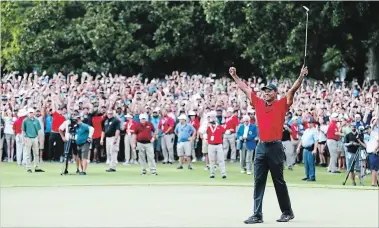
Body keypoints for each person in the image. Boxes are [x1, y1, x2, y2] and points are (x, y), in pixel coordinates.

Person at [229, 65, 308, 223]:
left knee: (278, 181)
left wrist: (301, 77)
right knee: (258, 181)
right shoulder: (258, 103)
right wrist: (235, 76)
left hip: (275, 147)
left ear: (275, 93)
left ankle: (287, 212)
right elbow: (245, 89)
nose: (265, 93)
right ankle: (257, 215)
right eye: (264, 91)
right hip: (261, 146)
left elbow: (292, 91)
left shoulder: (281, 104)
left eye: (269, 91)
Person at [22, 108, 45, 173]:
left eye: (32, 112)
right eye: (30, 113)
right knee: (28, 154)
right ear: (28, 113)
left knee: (36, 153)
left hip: (35, 138)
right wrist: (23, 140)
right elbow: (23, 131)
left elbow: (39, 131)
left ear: (33, 113)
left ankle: (36, 167)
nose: (31, 114)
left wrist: (40, 140)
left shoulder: (36, 120)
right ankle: (28, 168)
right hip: (28, 138)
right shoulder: (25, 120)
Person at [206, 111, 227, 179]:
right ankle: (212, 173)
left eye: (214, 117)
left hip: (218, 145)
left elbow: (224, 130)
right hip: (211, 145)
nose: (213, 118)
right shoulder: (208, 126)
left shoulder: (219, 126)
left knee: (221, 159)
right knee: (211, 160)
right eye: (211, 117)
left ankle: (223, 173)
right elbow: (203, 131)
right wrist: (207, 123)